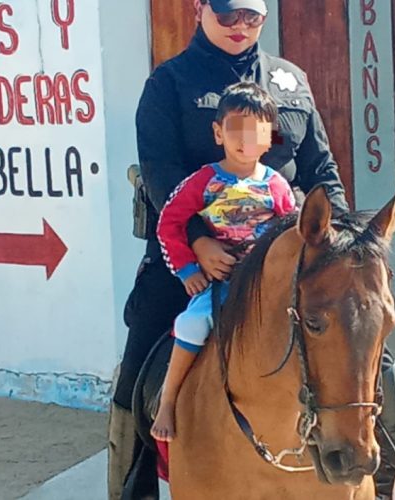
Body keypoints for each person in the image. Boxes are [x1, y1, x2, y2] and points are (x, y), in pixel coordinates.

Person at [108, 1, 395, 499]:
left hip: (295, 253)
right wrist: (198, 240)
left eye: (252, 17)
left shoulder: (290, 80)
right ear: (199, 10)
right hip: (198, 258)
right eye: (227, 14)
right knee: (140, 362)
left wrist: (342, 247)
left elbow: (321, 171)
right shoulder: (169, 83)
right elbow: (159, 173)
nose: (240, 26)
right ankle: (133, 487)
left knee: (368, 346)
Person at [149, 82, 297, 443]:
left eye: (257, 129)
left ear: (270, 138)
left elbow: (293, 237)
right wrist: (187, 269)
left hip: (270, 284)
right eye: (236, 127)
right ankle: (168, 401)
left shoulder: (278, 186)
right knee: (192, 324)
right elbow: (169, 223)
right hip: (226, 282)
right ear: (218, 132)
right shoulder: (204, 181)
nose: (246, 138)